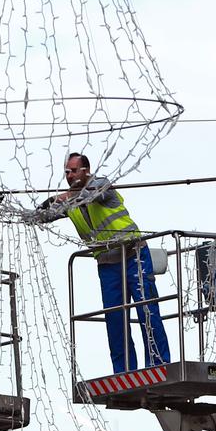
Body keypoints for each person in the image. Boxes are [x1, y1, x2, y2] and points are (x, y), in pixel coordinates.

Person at [31, 152, 170, 374]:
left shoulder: (101, 185)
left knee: (147, 312)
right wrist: (36, 210)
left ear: (86, 171)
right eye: (67, 171)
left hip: (133, 254)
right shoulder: (70, 201)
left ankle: (159, 366)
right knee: (115, 320)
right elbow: (44, 215)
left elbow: (90, 195)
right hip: (107, 264)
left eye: (74, 171)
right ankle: (124, 371)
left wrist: (62, 198)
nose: (69, 175)